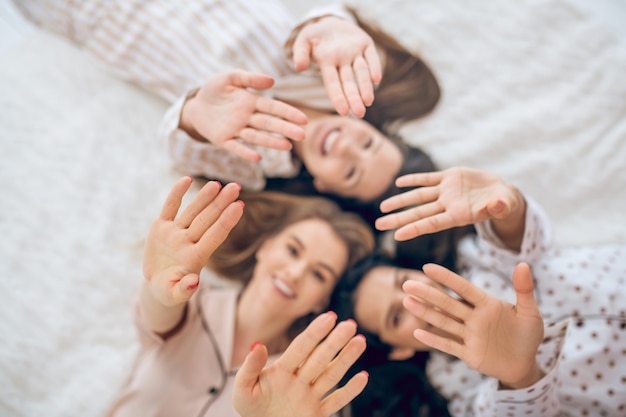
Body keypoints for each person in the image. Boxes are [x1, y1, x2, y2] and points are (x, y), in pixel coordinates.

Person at [15, 0, 441, 203]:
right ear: (371, 126)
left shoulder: (259, 163)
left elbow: (179, 145)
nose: (348, 147)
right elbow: (312, 24)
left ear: (324, 185)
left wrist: (195, 116)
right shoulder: (330, 79)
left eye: (350, 171)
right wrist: (333, 24)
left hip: (93, 13)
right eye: (368, 144)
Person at [331, 167, 626, 416]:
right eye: (396, 316)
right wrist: (519, 376)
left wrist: (507, 208)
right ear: (398, 350)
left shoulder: (473, 261)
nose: (415, 301)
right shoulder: (454, 387)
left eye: (404, 283)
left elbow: (522, 244)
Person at [106, 176, 375, 417]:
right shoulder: (193, 303)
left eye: (319, 275)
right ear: (265, 248)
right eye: (293, 250)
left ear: (322, 300)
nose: (294, 273)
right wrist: (158, 290)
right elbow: (159, 313)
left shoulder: (303, 387)